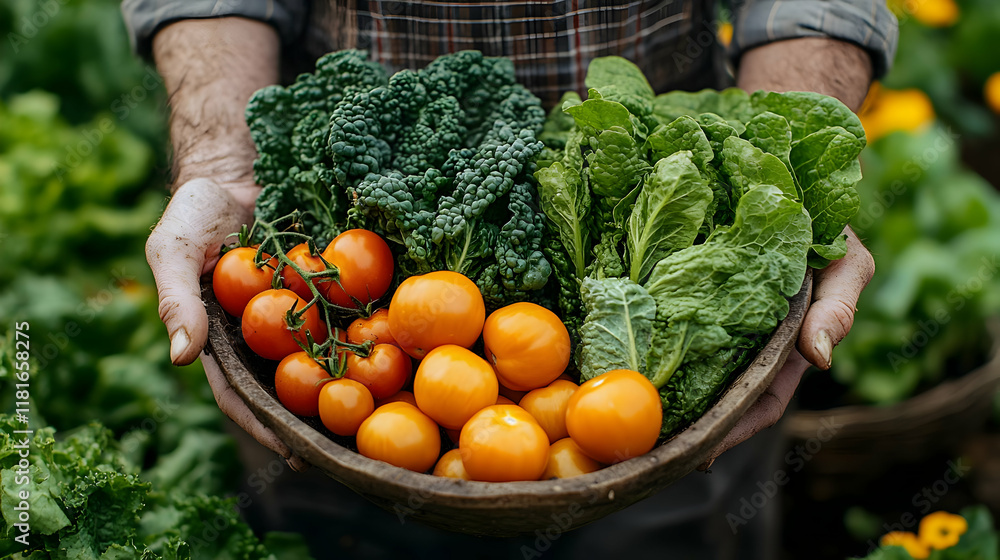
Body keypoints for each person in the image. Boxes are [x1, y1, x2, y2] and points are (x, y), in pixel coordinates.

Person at [124, 1, 895, 557]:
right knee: (337, 534)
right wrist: (223, 164)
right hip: (339, 433)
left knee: (672, 537)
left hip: (675, 452)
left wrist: (790, 169)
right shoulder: (338, 321)